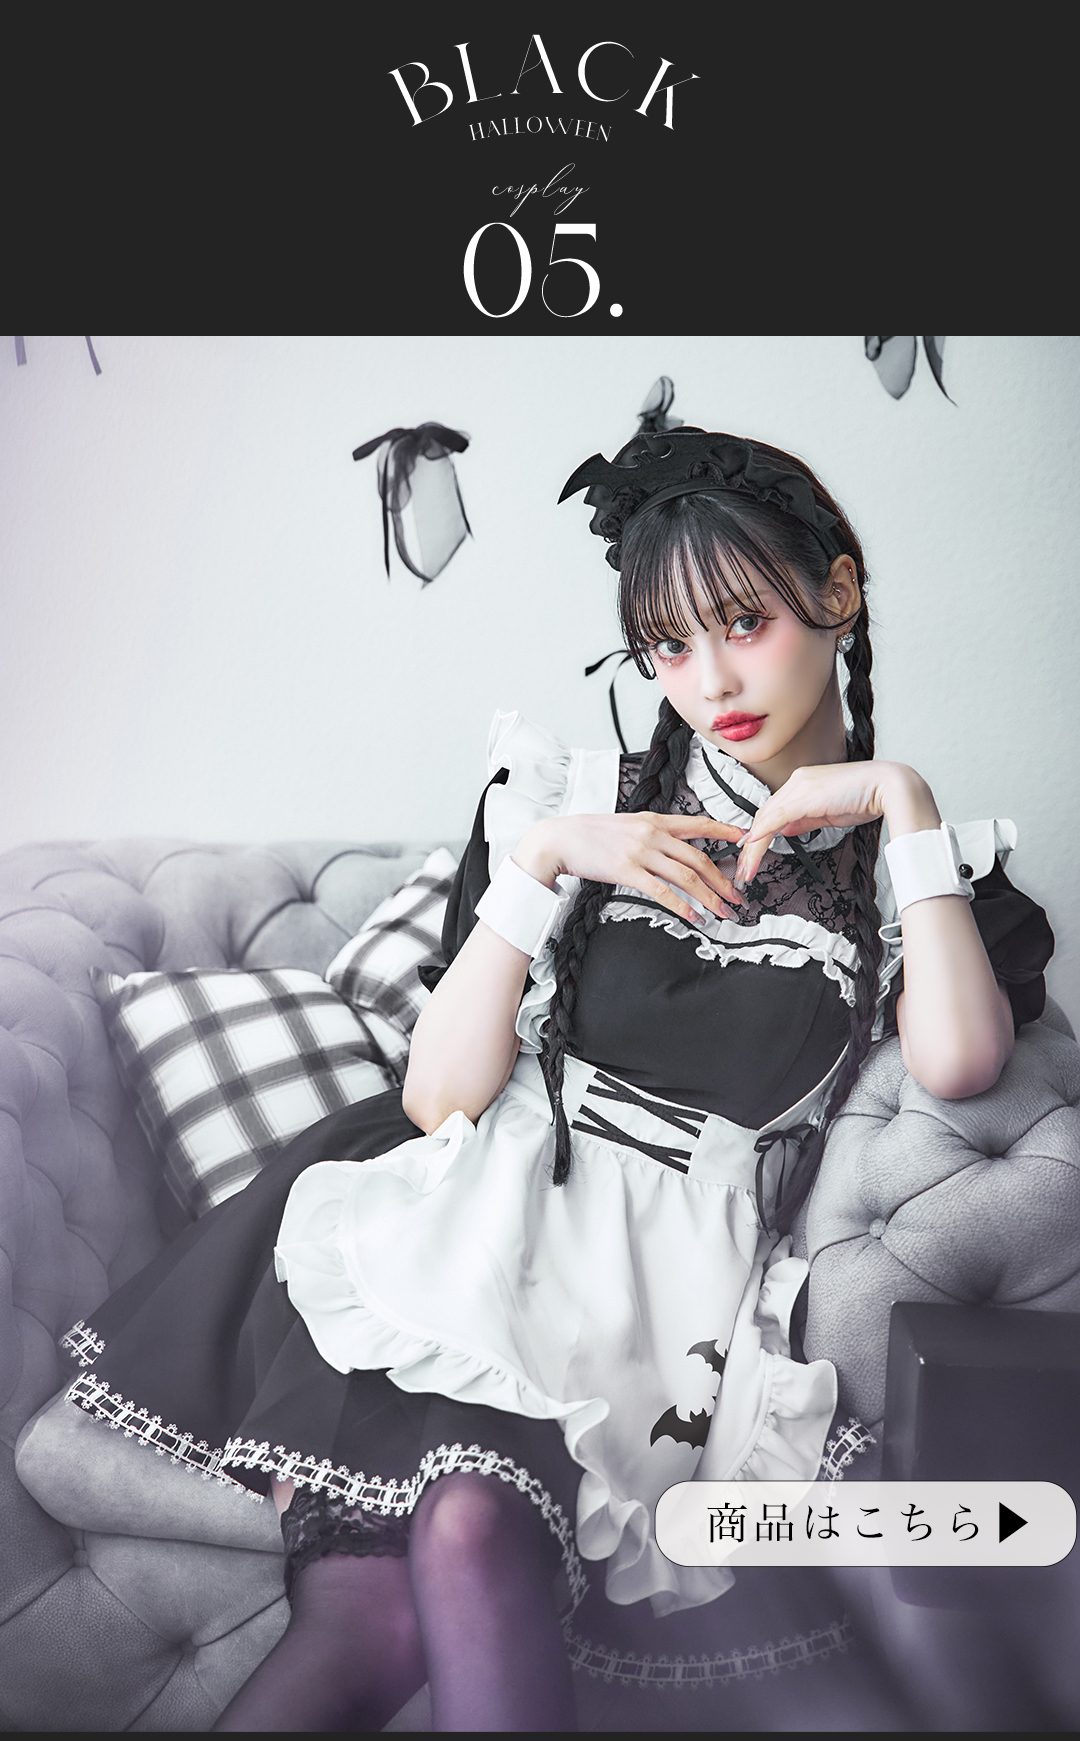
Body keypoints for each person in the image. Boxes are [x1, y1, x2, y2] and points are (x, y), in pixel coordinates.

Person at [58, 423, 1053, 1733]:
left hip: (660, 1298)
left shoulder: (915, 879)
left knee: (387, 1611)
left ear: (839, 593)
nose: (711, 679)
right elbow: (439, 1099)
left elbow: (962, 1057)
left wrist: (906, 804)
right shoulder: (570, 801)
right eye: (669, 646)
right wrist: (544, 863)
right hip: (478, 1236)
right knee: (421, 1569)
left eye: (745, 622)